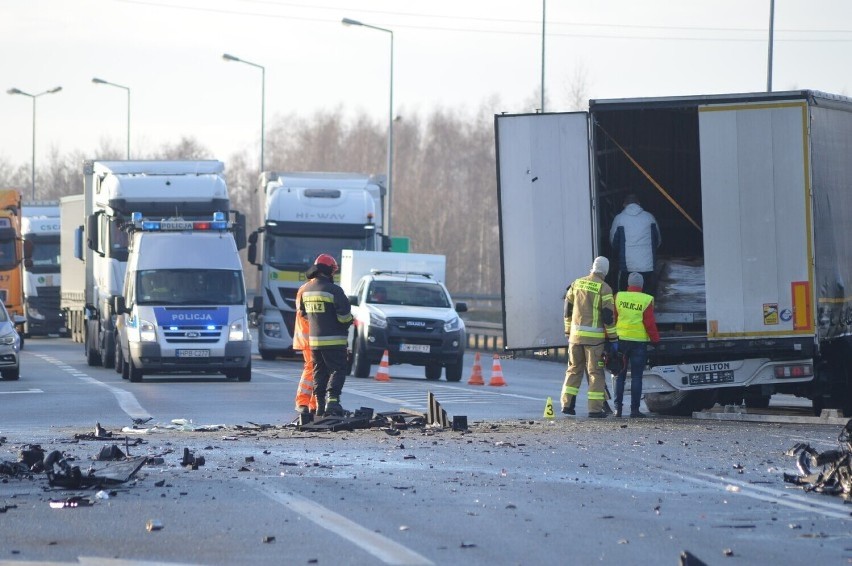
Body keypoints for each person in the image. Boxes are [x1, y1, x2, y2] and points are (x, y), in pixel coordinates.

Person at [561, 256, 618, 418]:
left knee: (573, 370)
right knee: (595, 373)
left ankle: (567, 405)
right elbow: (608, 317)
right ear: (605, 271)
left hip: (574, 338)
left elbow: (567, 311)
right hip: (594, 341)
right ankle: (594, 409)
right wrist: (613, 339)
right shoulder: (605, 288)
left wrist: (568, 332)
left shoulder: (576, 283)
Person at [298, 254, 353, 417]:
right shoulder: (334, 290)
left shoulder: (306, 289)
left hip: (314, 342)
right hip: (334, 341)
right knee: (337, 370)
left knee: (319, 372)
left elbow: (303, 314)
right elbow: (344, 317)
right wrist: (350, 320)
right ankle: (333, 403)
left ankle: (320, 406)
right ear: (329, 271)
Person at [613, 272, 660, 418]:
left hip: (621, 341)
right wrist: (655, 340)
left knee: (619, 375)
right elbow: (649, 323)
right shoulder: (646, 299)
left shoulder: (618, 297)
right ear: (641, 285)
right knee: (636, 377)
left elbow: (614, 318)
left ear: (628, 284)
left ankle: (618, 410)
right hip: (638, 343)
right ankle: (634, 410)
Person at [610, 193, 661, 295]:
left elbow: (613, 242)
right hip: (648, 266)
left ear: (624, 204)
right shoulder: (649, 217)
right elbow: (658, 240)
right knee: (647, 297)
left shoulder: (619, 219)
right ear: (639, 203)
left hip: (627, 268)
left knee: (624, 296)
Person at [293, 275, 318, 416]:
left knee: (316, 370)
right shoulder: (307, 289)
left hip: (312, 336)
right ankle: (302, 402)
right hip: (310, 336)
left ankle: (313, 404)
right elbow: (305, 314)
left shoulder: (307, 288)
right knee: (311, 368)